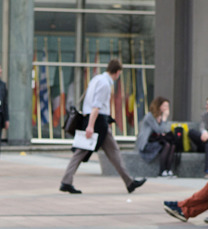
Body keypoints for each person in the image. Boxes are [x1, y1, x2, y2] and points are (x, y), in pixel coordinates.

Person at [59, 59, 146, 194]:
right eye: (119, 73)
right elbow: (96, 106)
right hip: (97, 121)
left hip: (95, 120)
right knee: (84, 152)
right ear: (117, 72)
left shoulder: (96, 79)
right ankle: (66, 181)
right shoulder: (105, 84)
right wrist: (90, 126)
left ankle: (129, 182)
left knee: (112, 151)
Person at [136, 97, 176, 177]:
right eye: (164, 106)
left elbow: (165, 130)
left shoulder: (160, 116)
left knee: (172, 145)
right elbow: (159, 130)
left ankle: (168, 170)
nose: (166, 108)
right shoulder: (150, 116)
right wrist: (164, 119)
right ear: (159, 106)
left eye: (168, 106)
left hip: (156, 141)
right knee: (167, 145)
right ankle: (162, 171)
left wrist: (163, 120)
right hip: (146, 143)